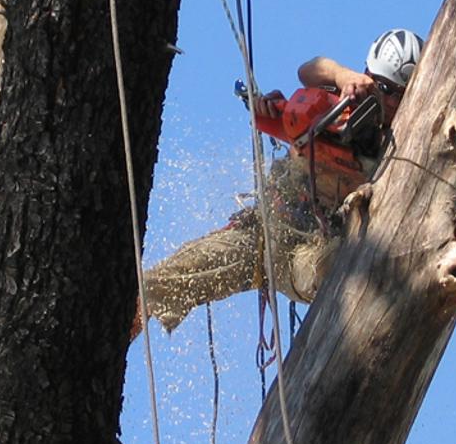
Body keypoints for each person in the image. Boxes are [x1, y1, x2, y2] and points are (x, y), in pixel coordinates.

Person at [138, 29, 424, 334]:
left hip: (308, 252)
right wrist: (341, 76)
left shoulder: (402, 149)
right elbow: (308, 70)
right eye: (383, 87)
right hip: (262, 232)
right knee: (162, 282)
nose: (389, 100)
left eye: (399, 93)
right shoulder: (335, 102)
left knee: (328, 270)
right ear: (367, 74)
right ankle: (125, 320)